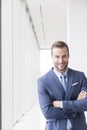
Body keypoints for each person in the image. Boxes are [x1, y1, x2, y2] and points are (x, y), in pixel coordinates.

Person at [37, 41, 87, 130]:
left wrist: (61, 104)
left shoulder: (80, 76)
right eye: (57, 57)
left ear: (68, 56)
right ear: (52, 57)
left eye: (64, 56)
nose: (61, 61)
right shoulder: (43, 81)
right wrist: (75, 107)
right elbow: (48, 112)